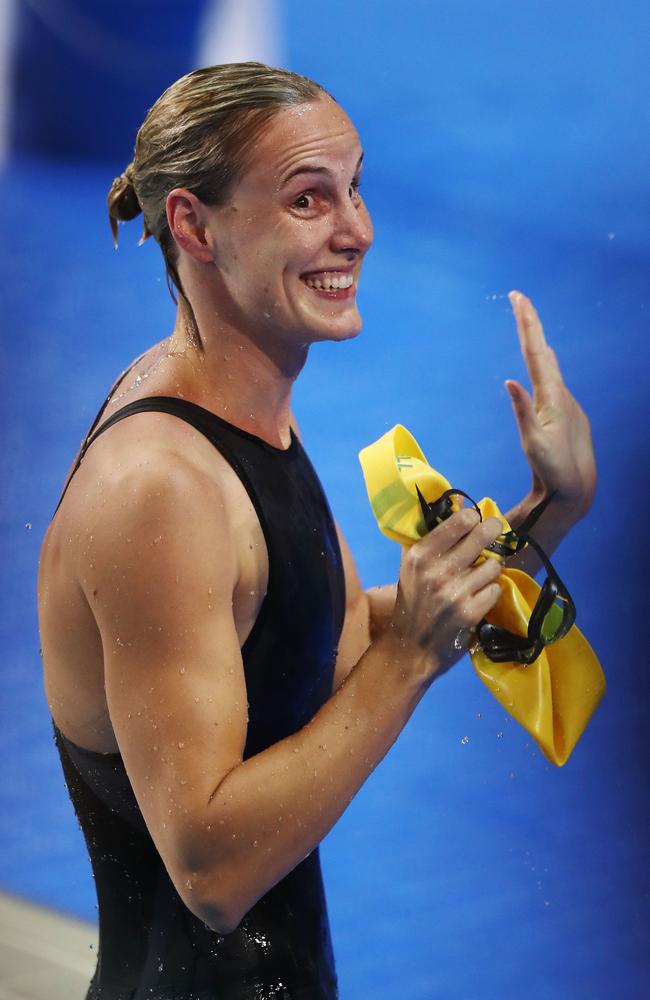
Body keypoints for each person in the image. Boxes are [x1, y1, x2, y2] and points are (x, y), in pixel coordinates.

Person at [38, 62, 595, 1000]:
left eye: (355, 186)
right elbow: (211, 875)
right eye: (308, 199)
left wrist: (550, 510)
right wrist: (412, 659)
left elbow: (316, 649)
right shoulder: (159, 492)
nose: (358, 230)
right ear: (193, 225)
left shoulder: (242, 408)